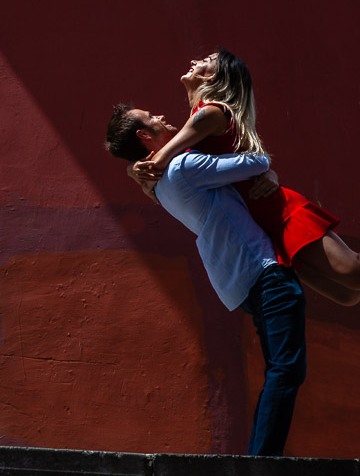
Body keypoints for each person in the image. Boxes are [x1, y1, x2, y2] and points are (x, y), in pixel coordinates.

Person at [130, 49, 360, 306]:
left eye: (206, 59)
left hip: (279, 212)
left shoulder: (210, 113)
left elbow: (170, 158)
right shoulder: (200, 119)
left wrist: (147, 163)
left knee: (356, 272)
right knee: (347, 295)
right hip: (265, 224)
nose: (195, 60)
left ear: (214, 78)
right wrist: (142, 169)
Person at [105, 105, 305, 456]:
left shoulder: (159, 185)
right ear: (144, 136)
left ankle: (260, 458)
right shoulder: (184, 166)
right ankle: (261, 462)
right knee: (286, 369)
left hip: (238, 279)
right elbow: (257, 161)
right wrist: (266, 172)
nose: (163, 118)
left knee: (281, 368)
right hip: (262, 269)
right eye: (152, 118)